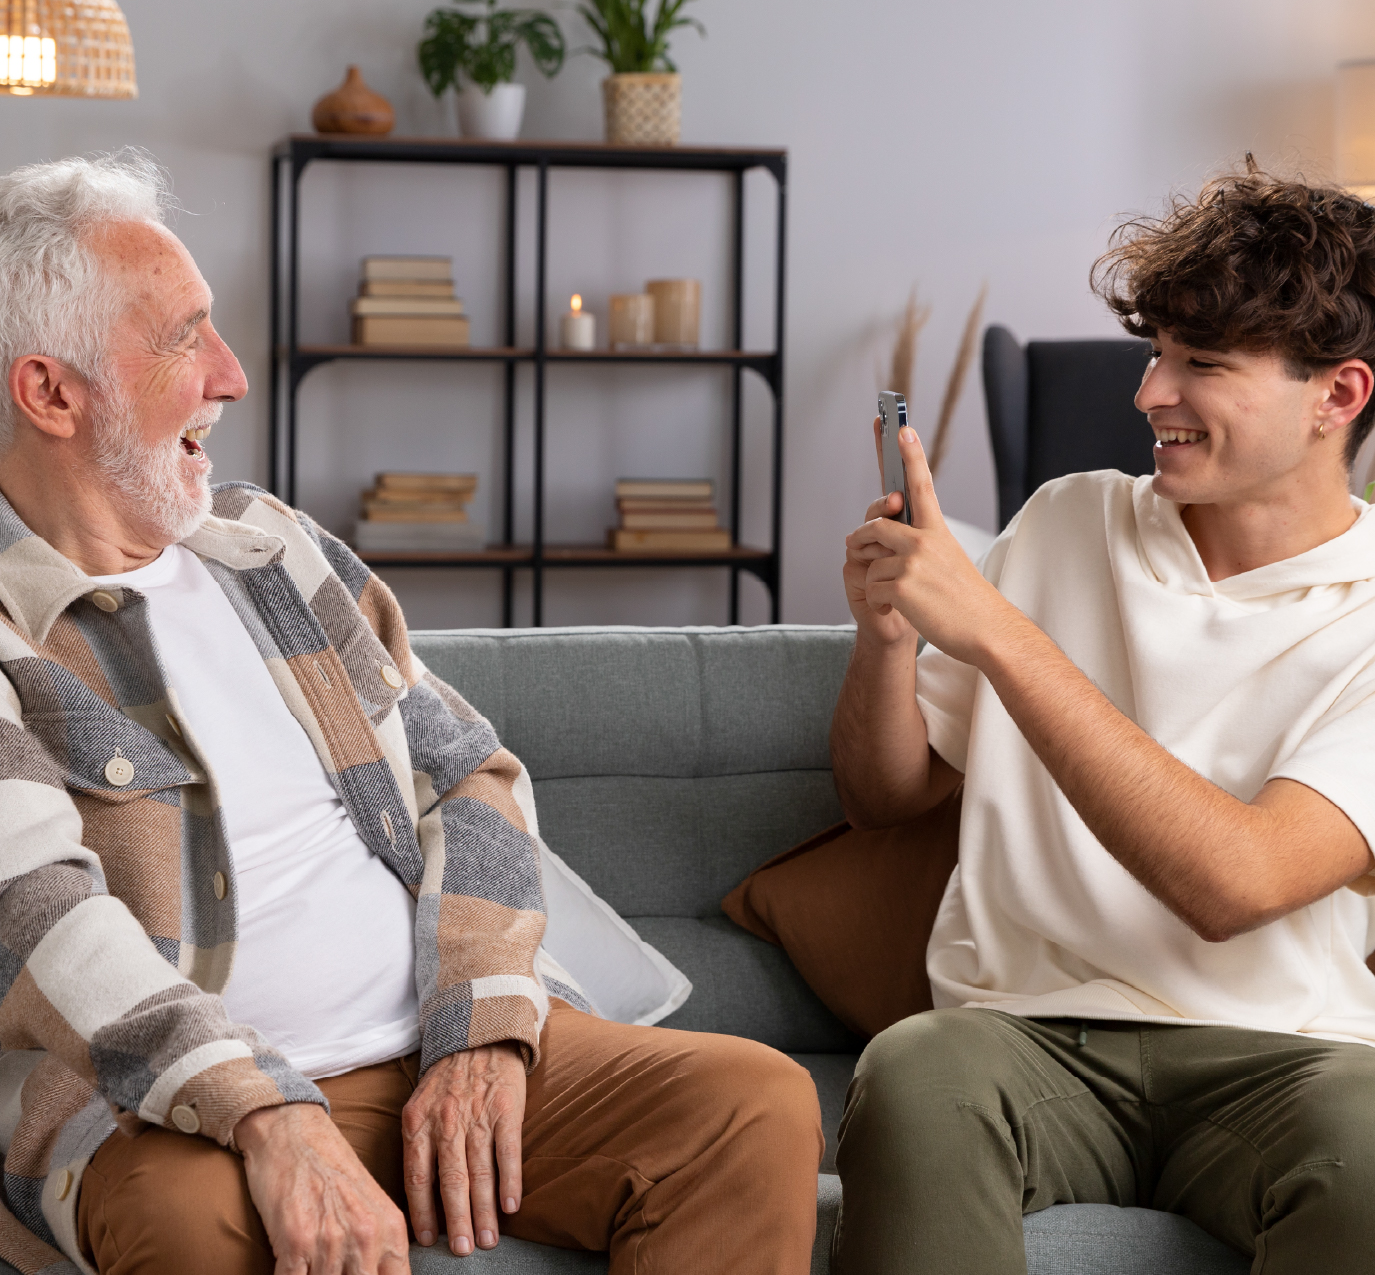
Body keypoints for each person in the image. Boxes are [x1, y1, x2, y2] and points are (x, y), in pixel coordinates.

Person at [0, 150, 822, 1275]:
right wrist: (268, 1111)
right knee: (188, 1227)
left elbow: (466, 776)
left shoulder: (276, 553)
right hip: (173, 1109)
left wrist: (479, 1024)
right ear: (51, 393)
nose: (233, 376)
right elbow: (37, 913)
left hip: (433, 1040)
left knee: (748, 1103)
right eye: (185, 340)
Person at [830, 164, 1375, 1273]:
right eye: (1156, 353)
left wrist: (997, 631)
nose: (1149, 392)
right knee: (913, 1072)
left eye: (1201, 364)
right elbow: (885, 796)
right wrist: (884, 637)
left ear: (1337, 395)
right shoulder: (1064, 521)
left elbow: (1236, 884)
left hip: (1289, 1057)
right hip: (1019, 1035)